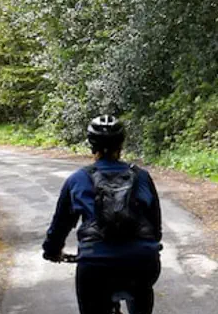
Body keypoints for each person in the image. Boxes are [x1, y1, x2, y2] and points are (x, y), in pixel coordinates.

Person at [44, 115, 165, 314]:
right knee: (141, 292)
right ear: (122, 144)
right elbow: (155, 225)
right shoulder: (142, 177)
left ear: (92, 146)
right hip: (141, 263)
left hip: (95, 265)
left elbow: (60, 225)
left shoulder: (78, 179)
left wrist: (52, 251)